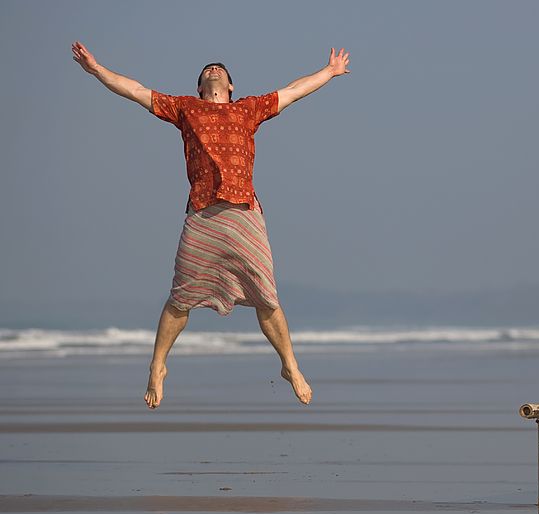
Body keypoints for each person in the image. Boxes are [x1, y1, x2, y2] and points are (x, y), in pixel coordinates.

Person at [71, 41, 351, 409]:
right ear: (200, 86)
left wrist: (328, 73)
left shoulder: (249, 109)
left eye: (219, 69)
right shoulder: (185, 108)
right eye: (207, 70)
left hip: (245, 213)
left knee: (267, 298)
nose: (213, 70)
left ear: (231, 86)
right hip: (202, 215)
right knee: (180, 299)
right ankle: (157, 366)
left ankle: (291, 366)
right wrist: (97, 70)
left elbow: (294, 90)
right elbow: (135, 90)